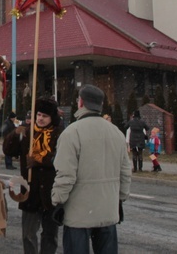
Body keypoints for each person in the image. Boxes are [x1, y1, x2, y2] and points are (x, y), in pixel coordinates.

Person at [52, 85, 131, 254]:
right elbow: (125, 171)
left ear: (81, 103)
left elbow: (65, 174)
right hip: (107, 211)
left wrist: (57, 201)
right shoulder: (116, 132)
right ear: (100, 105)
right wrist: (120, 198)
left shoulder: (72, 133)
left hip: (78, 213)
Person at [3, 100, 62, 254]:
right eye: (39, 115)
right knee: (28, 234)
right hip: (30, 192)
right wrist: (14, 134)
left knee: (50, 236)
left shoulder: (59, 133)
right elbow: (8, 150)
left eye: (45, 116)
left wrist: (41, 161)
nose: (40, 118)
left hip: (51, 193)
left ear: (52, 118)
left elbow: (62, 159)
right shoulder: (28, 132)